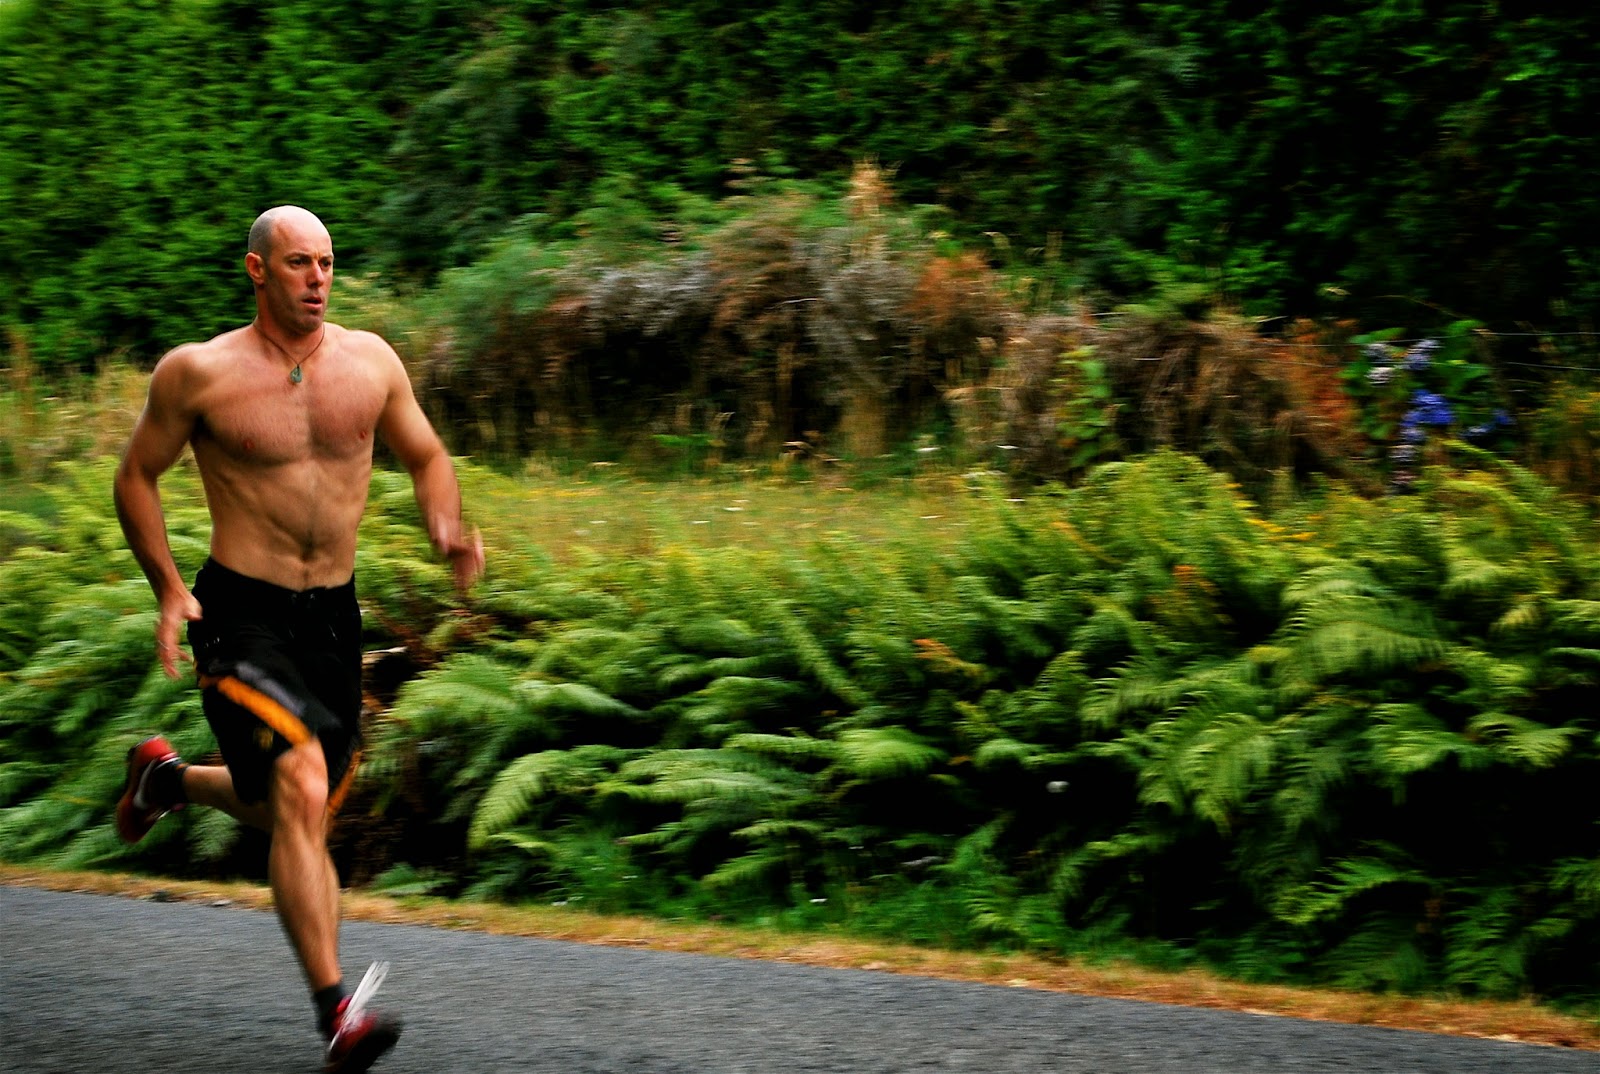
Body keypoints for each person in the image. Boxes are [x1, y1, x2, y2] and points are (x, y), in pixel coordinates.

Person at [112, 205, 484, 1074]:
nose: (317, 279)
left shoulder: (371, 363)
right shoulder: (199, 372)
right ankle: (337, 1014)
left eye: (326, 263)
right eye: (297, 264)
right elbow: (135, 476)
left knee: (297, 807)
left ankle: (167, 780)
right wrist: (168, 587)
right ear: (257, 270)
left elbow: (428, 455)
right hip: (239, 613)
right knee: (300, 777)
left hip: (331, 620)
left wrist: (444, 524)